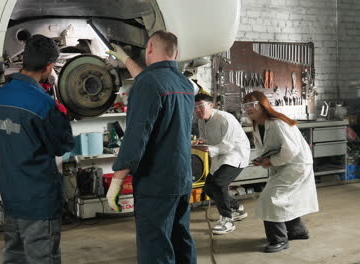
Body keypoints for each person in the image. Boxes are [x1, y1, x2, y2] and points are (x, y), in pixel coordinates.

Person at [105, 30, 196, 264]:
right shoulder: (184, 83)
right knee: (180, 241)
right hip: (181, 179)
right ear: (176, 53)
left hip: (156, 183)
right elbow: (152, 82)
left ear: (150, 49)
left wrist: (116, 181)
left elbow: (136, 138)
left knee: (155, 248)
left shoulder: (148, 83)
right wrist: (126, 60)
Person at [0, 34, 75, 264]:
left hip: (11, 195)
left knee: (14, 257)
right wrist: (63, 116)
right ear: (49, 66)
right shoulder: (44, 104)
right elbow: (63, 145)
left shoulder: (2, 95)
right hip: (38, 199)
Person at [242, 91, 318, 253]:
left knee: (270, 199)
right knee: (284, 199)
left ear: (263, 105)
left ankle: (279, 240)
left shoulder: (277, 122)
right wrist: (262, 159)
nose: (248, 108)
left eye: (252, 104)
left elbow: (291, 150)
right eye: (245, 105)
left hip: (296, 165)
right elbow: (265, 148)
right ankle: (298, 231)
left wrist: (270, 161)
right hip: (284, 165)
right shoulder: (257, 124)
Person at [193, 93, 251, 235]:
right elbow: (204, 138)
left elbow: (228, 146)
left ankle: (227, 219)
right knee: (208, 189)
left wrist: (207, 148)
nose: (197, 111)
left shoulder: (225, 119)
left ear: (211, 105)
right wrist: (201, 142)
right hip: (220, 155)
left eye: (200, 106)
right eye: (195, 108)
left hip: (236, 154)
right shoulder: (201, 121)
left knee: (219, 183)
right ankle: (237, 209)